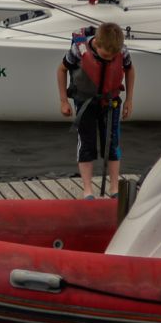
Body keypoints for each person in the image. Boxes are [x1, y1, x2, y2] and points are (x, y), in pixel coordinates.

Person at [57, 21, 133, 199]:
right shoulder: (78, 50)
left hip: (111, 102)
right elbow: (61, 70)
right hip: (85, 102)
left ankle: (114, 189)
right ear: (97, 44)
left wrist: (129, 99)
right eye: (106, 56)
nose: (109, 59)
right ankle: (87, 190)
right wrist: (63, 101)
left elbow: (130, 70)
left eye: (112, 57)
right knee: (86, 144)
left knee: (112, 144)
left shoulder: (121, 51)